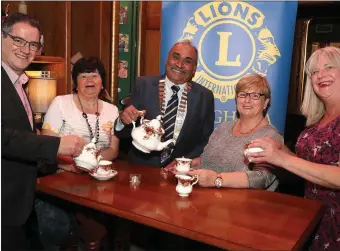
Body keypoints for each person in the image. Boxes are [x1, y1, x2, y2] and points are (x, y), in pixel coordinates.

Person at [1, 12, 86, 250]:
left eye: (33, 44)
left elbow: (16, 129)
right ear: (1, 37)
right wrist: (56, 146)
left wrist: (43, 137)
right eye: (18, 40)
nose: (26, 49)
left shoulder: (17, 80)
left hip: (19, 202)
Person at [246, 46, 340, 251]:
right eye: (314, 72)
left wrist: (282, 159)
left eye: (329, 67)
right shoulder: (317, 120)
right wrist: (278, 150)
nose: (320, 75)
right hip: (314, 219)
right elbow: (309, 165)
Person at [115, 39, 215, 167]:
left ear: (194, 69)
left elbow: (204, 141)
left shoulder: (204, 96)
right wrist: (122, 121)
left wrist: (184, 162)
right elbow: (122, 134)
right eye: (176, 57)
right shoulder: (143, 85)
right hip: (141, 170)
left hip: (178, 173)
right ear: (167, 59)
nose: (179, 64)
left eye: (187, 61)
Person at [188, 74, 283, 191]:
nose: (247, 100)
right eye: (242, 94)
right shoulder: (222, 128)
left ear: (265, 102)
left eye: (255, 95)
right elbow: (207, 162)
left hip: (246, 205)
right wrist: (189, 165)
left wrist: (217, 180)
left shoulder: (272, 137)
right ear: (236, 99)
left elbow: (261, 178)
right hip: (208, 200)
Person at [42, 56, 120, 172]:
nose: (89, 80)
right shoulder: (60, 103)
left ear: (102, 82)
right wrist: (76, 165)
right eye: (83, 76)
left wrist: (89, 164)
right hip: (65, 173)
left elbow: (113, 150)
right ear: (76, 83)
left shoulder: (112, 110)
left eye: (94, 76)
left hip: (99, 174)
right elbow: (47, 143)